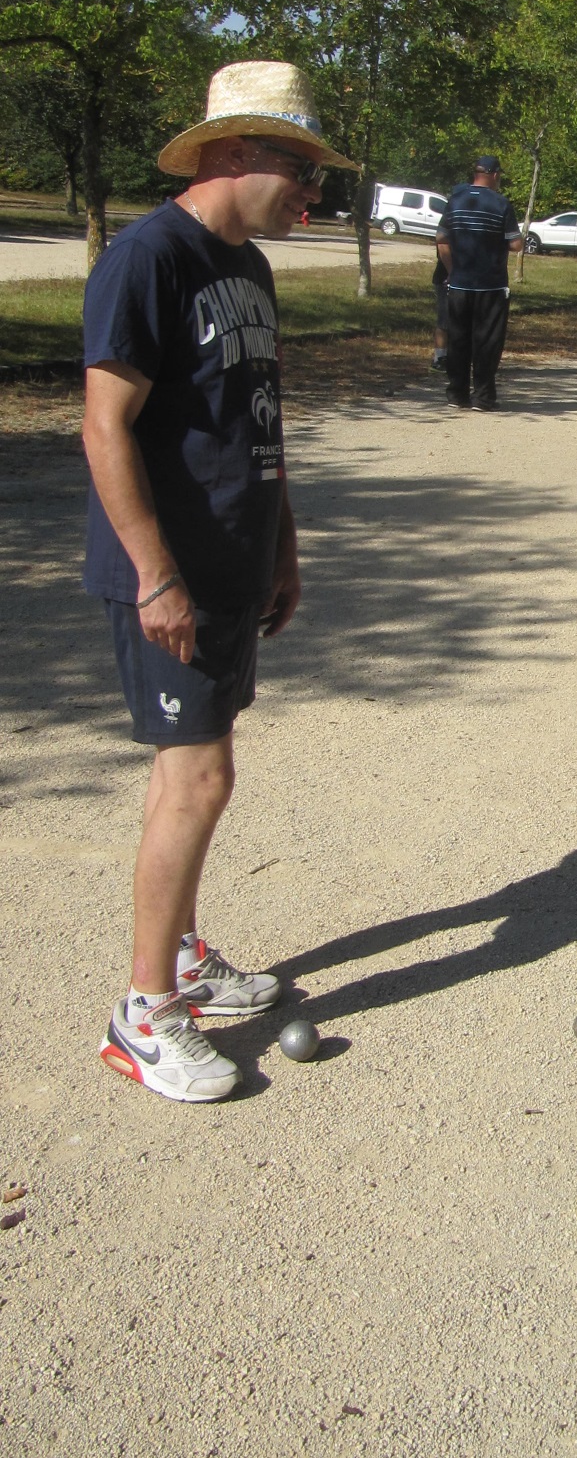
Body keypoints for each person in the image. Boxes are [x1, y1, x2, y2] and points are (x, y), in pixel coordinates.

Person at [82, 60, 357, 1102]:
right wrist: (156, 576)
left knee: (201, 775)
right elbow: (103, 425)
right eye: (301, 169)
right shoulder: (149, 258)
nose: (312, 193)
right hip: (170, 576)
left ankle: (183, 956)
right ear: (236, 153)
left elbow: (259, 421)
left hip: (236, 563)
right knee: (195, 780)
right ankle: (143, 1012)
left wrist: (283, 545)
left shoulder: (252, 269)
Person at [436, 154, 522, 409]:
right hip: (491, 285)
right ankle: (483, 396)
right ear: (495, 175)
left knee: (459, 338)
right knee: (487, 341)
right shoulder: (501, 204)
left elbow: (441, 239)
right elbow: (516, 244)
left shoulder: (455, 201)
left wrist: (452, 269)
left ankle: (457, 393)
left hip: (460, 283)